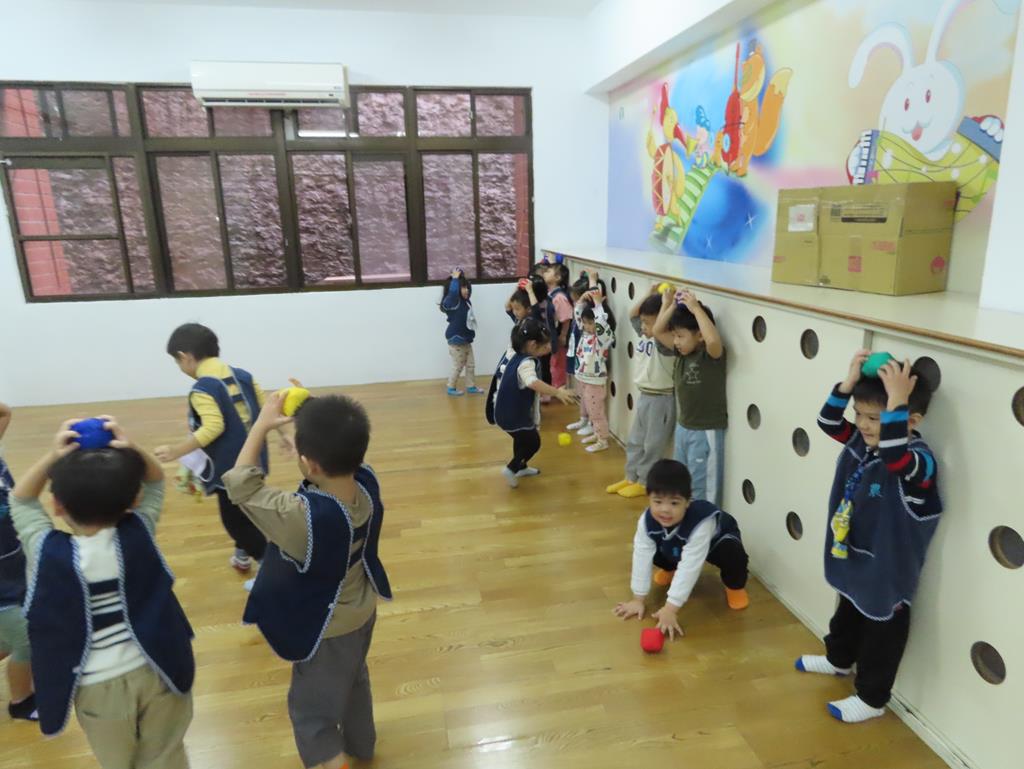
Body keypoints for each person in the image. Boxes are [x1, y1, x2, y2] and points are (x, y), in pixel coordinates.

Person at [11, 418, 194, 766]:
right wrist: (131, 447)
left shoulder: (46, 551)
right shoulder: (140, 531)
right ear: (134, 499)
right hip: (162, 670)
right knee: (167, 757)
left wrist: (54, 455)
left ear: (57, 506)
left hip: (99, 691)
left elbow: (21, 500)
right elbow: (156, 481)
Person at [225, 391, 390, 769]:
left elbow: (241, 485)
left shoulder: (301, 518)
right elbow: (337, 436)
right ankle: (362, 746)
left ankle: (334, 761)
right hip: (363, 612)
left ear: (310, 463)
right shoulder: (367, 482)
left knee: (311, 713)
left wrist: (261, 426)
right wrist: (300, 424)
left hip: (327, 630)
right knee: (354, 682)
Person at [796, 351, 941, 724]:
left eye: (874, 418)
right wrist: (848, 383)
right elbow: (827, 421)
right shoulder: (863, 442)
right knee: (847, 608)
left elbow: (895, 458)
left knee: (882, 631)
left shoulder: (919, 462)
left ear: (912, 420)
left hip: (889, 568)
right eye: (859, 414)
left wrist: (897, 400)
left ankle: (872, 697)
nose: (862, 424)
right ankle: (838, 659)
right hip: (855, 552)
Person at [156, 323, 290, 578]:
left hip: (230, 469)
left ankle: (269, 569)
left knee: (235, 522)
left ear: (185, 357)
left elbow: (212, 428)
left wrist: (176, 451)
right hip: (256, 460)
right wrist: (286, 436)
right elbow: (268, 409)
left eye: (177, 362)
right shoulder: (244, 376)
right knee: (245, 510)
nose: (180, 367)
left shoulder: (203, 389)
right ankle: (242, 555)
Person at [614, 459, 750, 639]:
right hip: (680, 544)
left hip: (716, 542)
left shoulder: (702, 522)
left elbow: (690, 565)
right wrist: (637, 598)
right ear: (649, 498)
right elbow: (641, 555)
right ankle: (670, 569)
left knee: (733, 554)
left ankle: (735, 586)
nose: (665, 510)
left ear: (687, 501)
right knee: (653, 547)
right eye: (658, 501)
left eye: (674, 503)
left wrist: (670, 608)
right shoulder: (646, 521)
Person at [652, 288, 727, 505]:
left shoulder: (710, 356)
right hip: (683, 427)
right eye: (675, 336)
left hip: (705, 431)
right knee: (683, 482)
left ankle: (706, 523)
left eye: (680, 336)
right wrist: (670, 305)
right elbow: (657, 330)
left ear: (699, 335)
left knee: (702, 488)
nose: (675, 341)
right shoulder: (682, 353)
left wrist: (695, 309)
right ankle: (687, 521)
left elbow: (712, 340)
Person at [485, 319, 576, 488]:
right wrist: (557, 392)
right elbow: (532, 382)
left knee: (521, 438)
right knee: (533, 442)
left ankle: (521, 467)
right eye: (545, 345)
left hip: (504, 412)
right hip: (512, 415)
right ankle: (512, 468)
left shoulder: (513, 350)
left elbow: (520, 332)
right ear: (533, 345)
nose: (549, 348)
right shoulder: (526, 363)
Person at [607, 285, 677, 499]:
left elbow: (658, 329)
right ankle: (631, 476)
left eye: (648, 322)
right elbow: (633, 314)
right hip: (645, 395)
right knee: (635, 440)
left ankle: (645, 481)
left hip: (662, 398)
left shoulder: (666, 342)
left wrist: (667, 303)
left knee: (652, 445)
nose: (644, 326)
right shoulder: (645, 334)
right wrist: (650, 294)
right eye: (644, 322)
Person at [0, 400, 37, 722]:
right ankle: (21, 703)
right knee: (27, 639)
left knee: (8, 639)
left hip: (13, 566)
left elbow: (4, 412)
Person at [440, 268, 482, 396]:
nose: (467, 290)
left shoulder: (466, 302)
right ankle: (451, 387)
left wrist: (461, 280)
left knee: (470, 365)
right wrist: (455, 279)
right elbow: (453, 294)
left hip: (466, 339)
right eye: (463, 288)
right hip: (456, 339)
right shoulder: (453, 302)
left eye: (467, 287)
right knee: (458, 365)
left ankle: (471, 386)